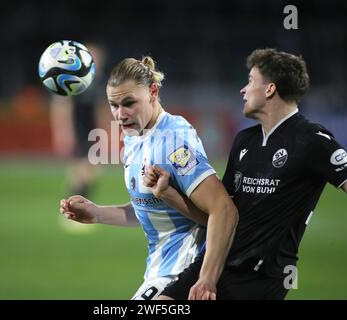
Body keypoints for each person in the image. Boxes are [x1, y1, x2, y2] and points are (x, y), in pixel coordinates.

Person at [144, 48, 347, 300]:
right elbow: (216, 216)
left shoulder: (313, 140)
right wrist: (168, 193)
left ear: (270, 90)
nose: (243, 90)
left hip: (258, 279)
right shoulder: (244, 141)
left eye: (250, 81)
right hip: (213, 263)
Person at [59, 56, 238, 299]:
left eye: (129, 103)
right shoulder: (135, 137)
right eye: (113, 105)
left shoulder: (173, 141)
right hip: (160, 270)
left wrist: (207, 279)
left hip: (183, 272)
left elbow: (223, 210)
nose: (120, 114)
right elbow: (152, 211)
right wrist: (96, 213)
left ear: (153, 92)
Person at [49, 43, 110, 197]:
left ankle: (77, 203)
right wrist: (64, 131)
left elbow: (102, 109)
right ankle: (75, 203)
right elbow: (61, 105)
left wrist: (105, 132)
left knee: (91, 170)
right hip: (78, 129)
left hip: (93, 130)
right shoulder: (73, 78)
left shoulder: (100, 81)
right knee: (83, 170)